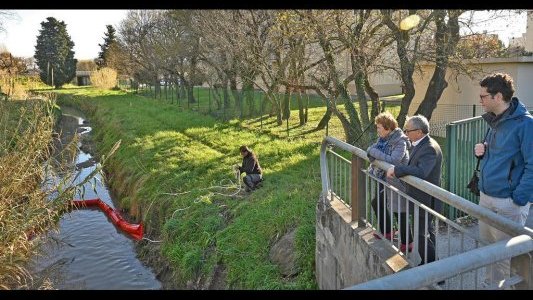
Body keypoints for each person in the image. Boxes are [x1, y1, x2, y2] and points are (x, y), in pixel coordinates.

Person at [473, 73, 532, 288]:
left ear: (498, 96)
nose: (480, 100)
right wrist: (482, 151)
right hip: (486, 197)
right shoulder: (495, 122)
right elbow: (502, 155)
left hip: (508, 201)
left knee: (507, 257)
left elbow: (532, 165)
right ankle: (492, 285)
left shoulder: (525, 124)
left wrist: (518, 198)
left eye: (483, 96)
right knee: (489, 251)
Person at [386, 115, 443, 265]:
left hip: (425, 199)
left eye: (408, 130)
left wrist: (397, 170)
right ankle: (431, 264)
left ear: (419, 131)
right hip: (421, 198)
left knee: (422, 234)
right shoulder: (422, 143)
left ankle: (432, 268)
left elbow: (422, 171)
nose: (405, 133)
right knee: (426, 233)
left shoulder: (429, 147)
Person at [366, 112, 411, 248]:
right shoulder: (383, 140)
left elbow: (394, 160)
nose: (377, 130)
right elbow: (373, 151)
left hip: (396, 181)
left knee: (399, 210)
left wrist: (373, 153)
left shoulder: (400, 141)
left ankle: (408, 242)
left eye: (379, 127)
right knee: (377, 202)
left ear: (388, 128)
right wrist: (374, 153)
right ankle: (387, 232)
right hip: (384, 178)